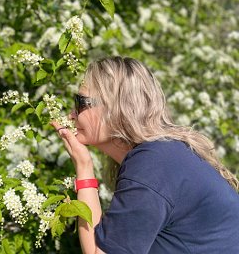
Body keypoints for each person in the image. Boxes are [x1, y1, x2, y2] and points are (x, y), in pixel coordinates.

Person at [51, 56, 239, 254]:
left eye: (81, 103)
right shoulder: (164, 153)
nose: (72, 114)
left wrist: (84, 168)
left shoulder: (152, 166)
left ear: (115, 108)